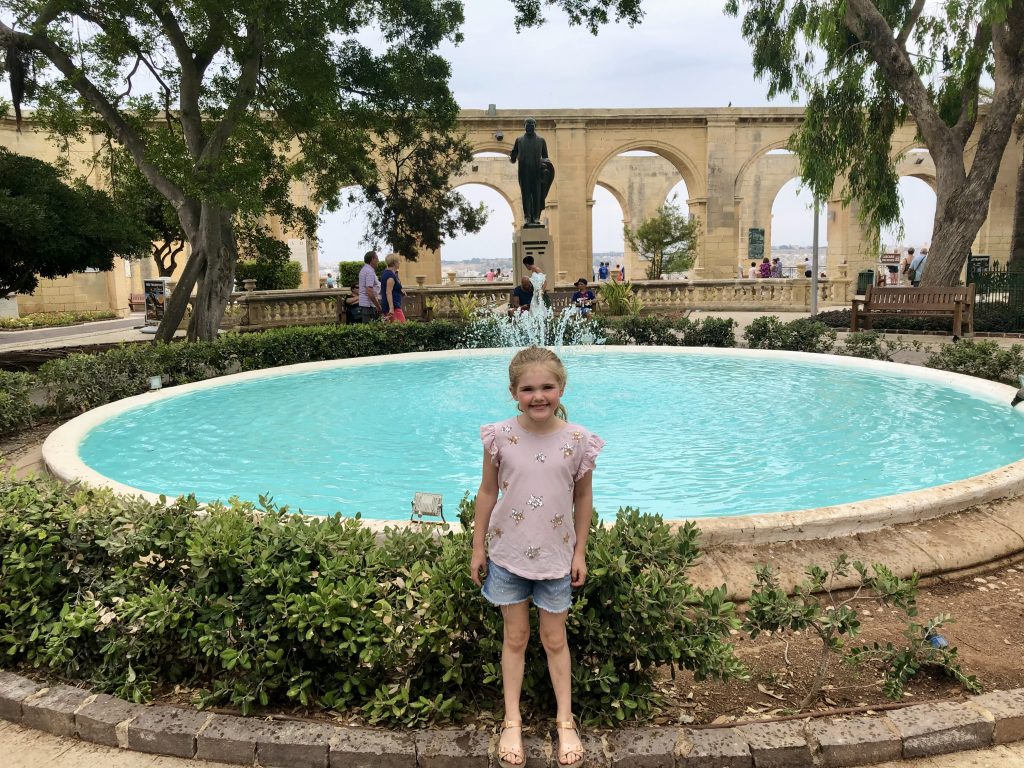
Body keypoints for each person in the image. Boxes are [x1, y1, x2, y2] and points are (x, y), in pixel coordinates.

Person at [470, 346, 604, 768]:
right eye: (528, 388)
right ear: (513, 392)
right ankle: (512, 720)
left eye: (547, 386)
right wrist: (477, 546)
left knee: (554, 639)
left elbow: (583, 498)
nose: (538, 395)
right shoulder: (499, 437)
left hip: (557, 559)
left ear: (561, 388)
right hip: (508, 555)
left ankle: (565, 720)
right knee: (515, 638)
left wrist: (580, 550)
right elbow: (488, 491)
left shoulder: (578, 441)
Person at [510, 118, 553, 226]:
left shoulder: (541, 141)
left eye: (531, 125)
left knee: (537, 195)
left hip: (537, 173)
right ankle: (527, 217)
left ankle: (537, 217)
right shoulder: (519, 140)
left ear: (535, 126)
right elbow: (513, 156)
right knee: (526, 195)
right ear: (524, 126)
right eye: (527, 125)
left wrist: (545, 168)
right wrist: (513, 157)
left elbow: (545, 158)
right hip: (524, 173)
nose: (529, 127)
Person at [380, 253, 407, 323]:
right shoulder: (390, 276)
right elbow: (388, 292)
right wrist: (391, 308)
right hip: (393, 307)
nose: (400, 263)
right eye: (398, 261)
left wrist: (400, 291)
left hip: (392, 305)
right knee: (402, 327)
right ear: (394, 263)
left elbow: (392, 289)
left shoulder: (388, 273)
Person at [358, 250, 382, 322]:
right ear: (372, 259)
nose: (378, 260)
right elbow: (369, 291)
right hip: (369, 306)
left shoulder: (364, 270)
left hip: (365, 305)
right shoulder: (369, 271)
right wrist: (378, 306)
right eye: (377, 258)